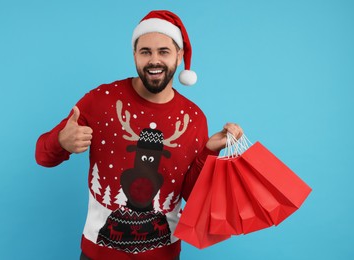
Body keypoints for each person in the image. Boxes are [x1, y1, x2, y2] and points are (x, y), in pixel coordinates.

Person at [35, 10, 242, 260]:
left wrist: (210, 150)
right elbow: (42, 157)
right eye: (146, 51)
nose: (154, 60)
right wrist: (60, 142)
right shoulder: (100, 100)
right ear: (135, 55)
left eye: (163, 51)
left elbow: (191, 195)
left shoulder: (193, 118)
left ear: (179, 56)